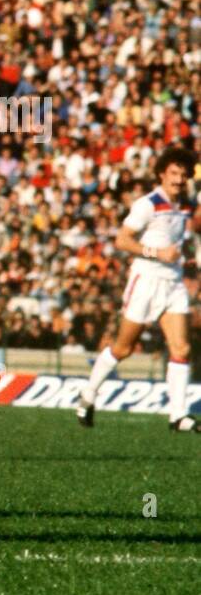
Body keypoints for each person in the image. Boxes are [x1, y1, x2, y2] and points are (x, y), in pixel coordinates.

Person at [77, 146, 201, 431]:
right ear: (161, 173)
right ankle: (88, 395)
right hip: (145, 281)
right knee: (123, 348)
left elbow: (177, 240)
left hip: (173, 282)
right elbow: (122, 240)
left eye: (183, 175)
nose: (179, 180)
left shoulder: (186, 205)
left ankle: (178, 415)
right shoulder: (148, 204)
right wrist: (157, 254)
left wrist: (187, 259)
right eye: (174, 173)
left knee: (181, 347)